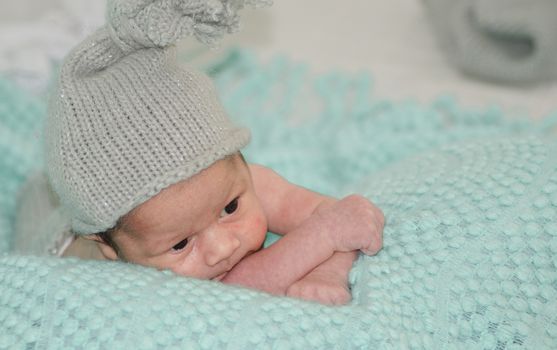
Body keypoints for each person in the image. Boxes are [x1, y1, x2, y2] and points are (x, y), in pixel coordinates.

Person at [42, 0, 384, 305]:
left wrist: (327, 270)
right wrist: (322, 239)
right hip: (45, 227)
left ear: (239, 161)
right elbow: (234, 292)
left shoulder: (222, 184)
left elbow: (336, 215)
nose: (223, 248)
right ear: (111, 250)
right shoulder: (113, 272)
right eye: (180, 245)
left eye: (231, 208)